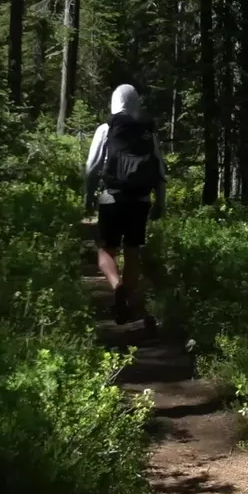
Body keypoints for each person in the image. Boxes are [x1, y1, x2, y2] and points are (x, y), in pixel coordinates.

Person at [85, 84, 166, 325]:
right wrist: (160, 201)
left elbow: (92, 167)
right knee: (133, 253)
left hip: (111, 198)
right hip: (140, 201)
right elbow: (159, 169)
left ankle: (116, 285)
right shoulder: (147, 132)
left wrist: (89, 195)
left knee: (105, 251)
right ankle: (126, 303)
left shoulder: (106, 129)